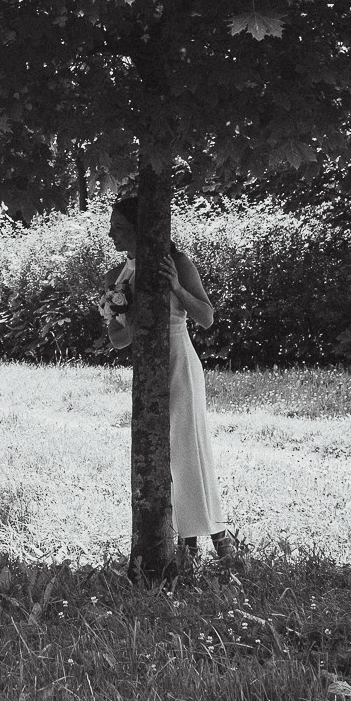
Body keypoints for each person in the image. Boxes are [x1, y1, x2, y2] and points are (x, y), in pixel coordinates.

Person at [101, 193, 240, 563]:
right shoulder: (116, 276)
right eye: (111, 228)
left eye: (119, 229)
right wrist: (128, 319)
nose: (111, 236)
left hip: (180, 361)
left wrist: (176, 287)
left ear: (139, 230)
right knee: (159, 456)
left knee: (188, 449)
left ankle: (214, 537)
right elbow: (117, 341)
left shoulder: (176, 261)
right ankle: (183, 540)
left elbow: (206, 317)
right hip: (147, 372)